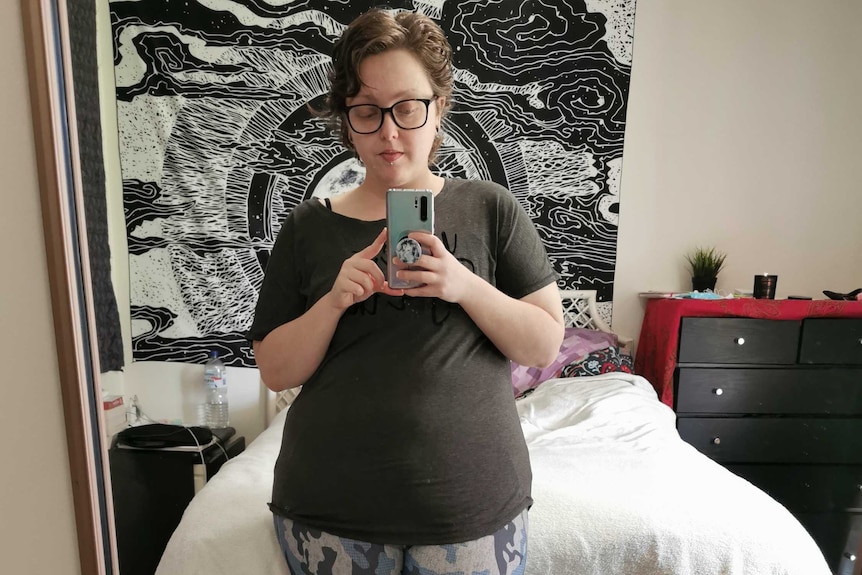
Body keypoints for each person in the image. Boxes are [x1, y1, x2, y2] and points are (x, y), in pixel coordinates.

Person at [248, 8, 564, 575]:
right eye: (367, 111)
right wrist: (333, 301)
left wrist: (463, 285)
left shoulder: (491, 208)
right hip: (328, 514)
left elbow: (542, 346)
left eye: (408, 107)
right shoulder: (309, 226)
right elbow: (274, 368)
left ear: (438, 109)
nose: (389, 131)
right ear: (347, 120)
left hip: (472, 511)